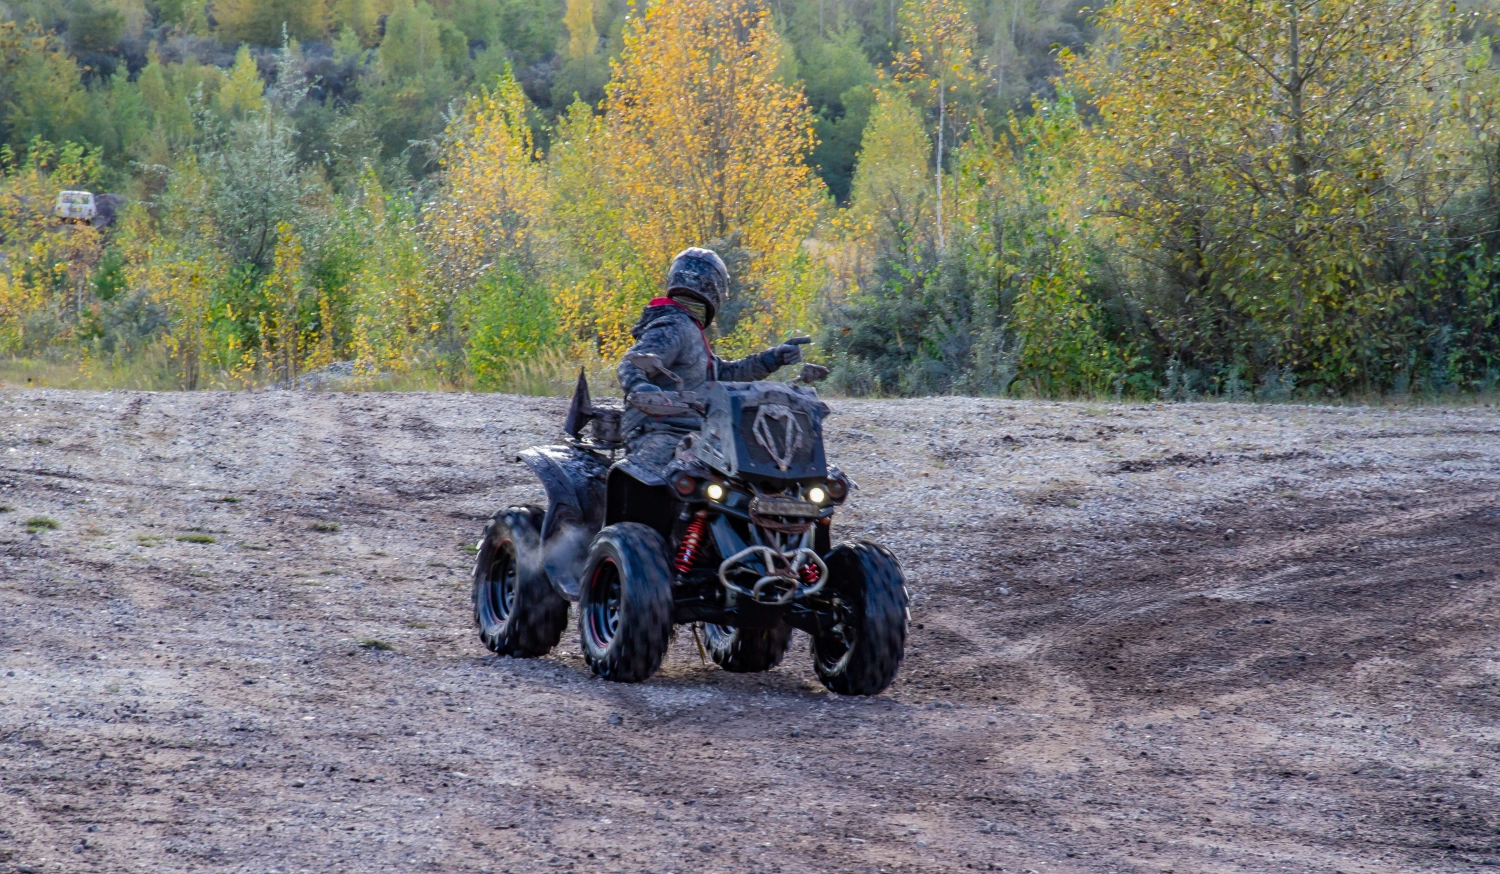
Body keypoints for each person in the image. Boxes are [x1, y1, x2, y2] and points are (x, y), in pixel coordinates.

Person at [616, 247, 807, 479]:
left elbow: (725, 373)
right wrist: (643, 389)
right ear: (715, 288)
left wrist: (772, 358)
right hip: (662, 430)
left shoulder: (688, 327)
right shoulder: (674, 325)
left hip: (695, 431)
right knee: (662, 486)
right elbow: (630, 364)